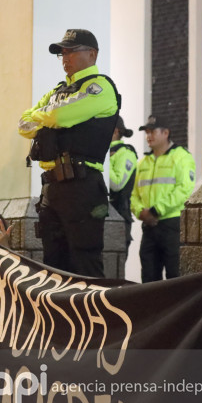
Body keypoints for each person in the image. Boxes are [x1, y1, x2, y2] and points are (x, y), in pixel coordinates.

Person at [18, 28, 120, 278]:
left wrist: (47, 117)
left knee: (85, 264)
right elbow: (23, 124)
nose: (65, 57)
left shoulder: (100, 87)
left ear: (92, 54)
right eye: (62, 52)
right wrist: (50, 118)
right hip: (51, 187)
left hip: (82, 187)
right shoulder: (57, 91)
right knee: (53, 265)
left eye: (72, 51)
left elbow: (58, 115)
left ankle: (94, 318)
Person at [130, 115, 196, 282]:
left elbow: (184, 188)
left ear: (166, 132)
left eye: (152, 131)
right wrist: (140, 212)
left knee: (175, 275)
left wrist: (155, 210)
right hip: (149, 226)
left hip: (172, 224)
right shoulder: (143, 162)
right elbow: (133, 194)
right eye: (146, 132)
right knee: (148, 278)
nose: (148, 136)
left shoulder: (181, 156)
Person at [108, 116, 138, 249]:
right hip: (101, 218)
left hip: (118, 219)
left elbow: (117, 184)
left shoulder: (126, 153)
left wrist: (103, 161)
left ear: (115, 131)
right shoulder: (105, 151)